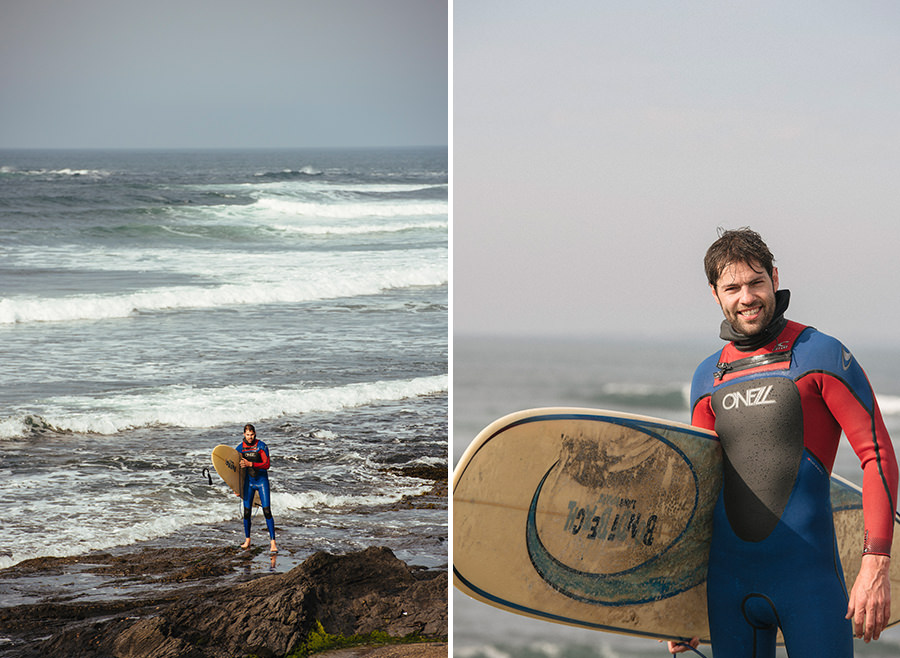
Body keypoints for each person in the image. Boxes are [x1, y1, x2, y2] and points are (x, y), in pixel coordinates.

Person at [668, 228, 898, 657]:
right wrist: (678, 604)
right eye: (732, 287)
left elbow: (877, 455)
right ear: (715, 295)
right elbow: (697, 493)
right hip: (727, 587)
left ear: (774, 278)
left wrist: (875, 562)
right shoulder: (707, 378)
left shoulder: (820, 355)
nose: (746, 297)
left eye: (756, 282)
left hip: (807, 583)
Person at [236, 423, 278, 553]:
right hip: (248, 482)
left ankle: (273, 543)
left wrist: (251, 463)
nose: (250, 437)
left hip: (261, 481)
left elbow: (267, 464)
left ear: (255, 434)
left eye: (252, 434)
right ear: (244, 434)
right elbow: (234, 469)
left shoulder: (261, 446)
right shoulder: (240, 448)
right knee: (246, 513)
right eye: (247, 435)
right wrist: (235, 487)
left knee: (266, 511)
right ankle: (247, 540)